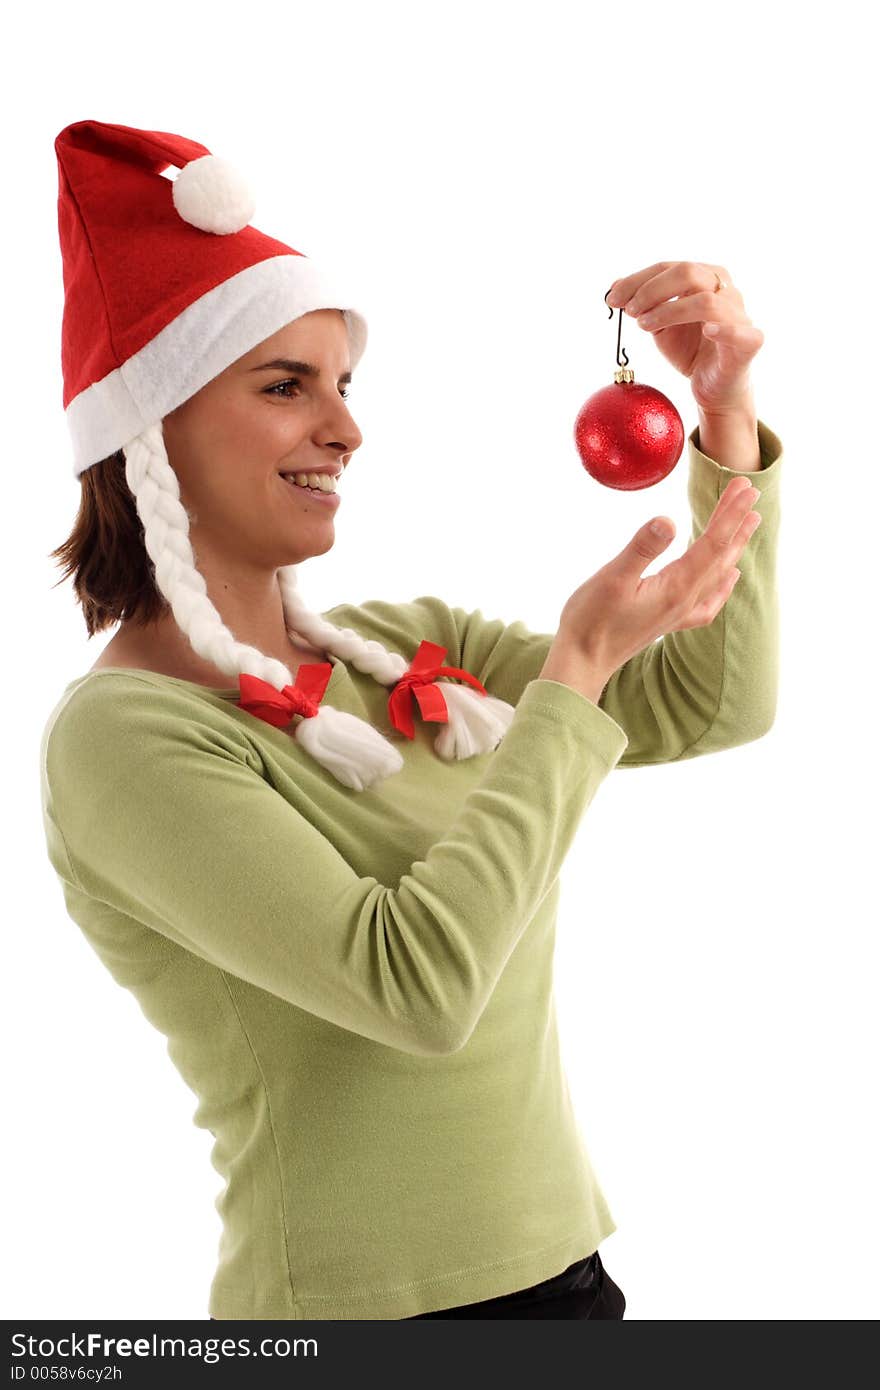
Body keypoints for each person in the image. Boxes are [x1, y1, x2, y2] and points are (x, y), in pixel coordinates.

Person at [39, 119, 783, 1320]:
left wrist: (725, 419)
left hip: (571, 1278)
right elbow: (415, 985)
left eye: (343, 386)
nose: (345, 428)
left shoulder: (406, 649)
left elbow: (710, 700)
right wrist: (575, 671)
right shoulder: (126, 740)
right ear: (152, 425)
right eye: (285, 385)